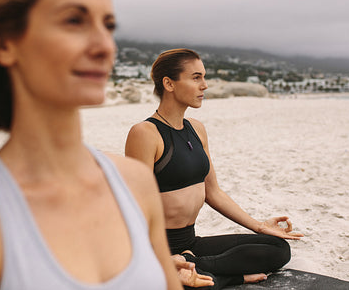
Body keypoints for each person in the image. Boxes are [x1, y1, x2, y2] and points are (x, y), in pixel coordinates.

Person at [0, 0, 183, 289]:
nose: (105, 46)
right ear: (5, 44)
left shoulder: (136, 185)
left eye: (109, 25)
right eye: (74, 20)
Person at [125, 48, 304, 289]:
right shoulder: (145, 133)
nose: (205, 85)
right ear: (169, 83)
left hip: (190, 244)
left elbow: (213, 192)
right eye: (196, 77)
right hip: (159, 245)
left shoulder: (196, 129)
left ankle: (190, 265)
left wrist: (260, 226)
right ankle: (197, 273)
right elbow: (136, 206)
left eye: (204, 77)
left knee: (278, 248)